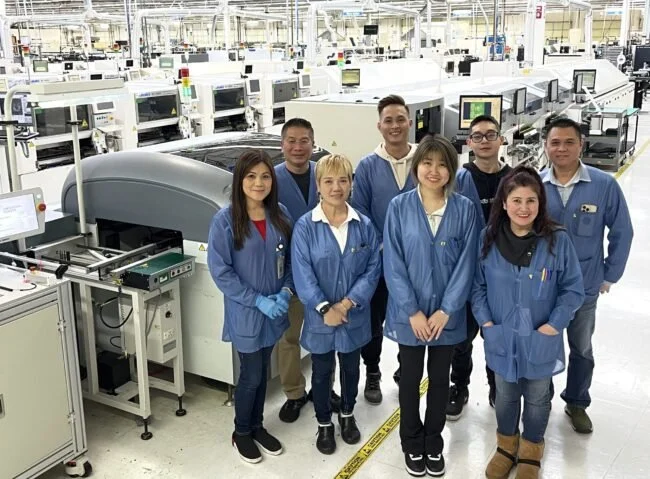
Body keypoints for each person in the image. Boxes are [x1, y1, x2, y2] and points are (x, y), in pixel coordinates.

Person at [473, 165, 585, 479]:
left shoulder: (556, 240)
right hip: (502, 334)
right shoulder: (488, 237)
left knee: (537, 397)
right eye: (517, 200)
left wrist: (554, 325)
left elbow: (573, 289)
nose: (524, 208)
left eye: (531, 200)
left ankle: (531, 450)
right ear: (504, 203)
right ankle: (506, 447)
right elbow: (477, 287)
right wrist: (486, 323)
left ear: (540, 203)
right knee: (505, 394)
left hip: (540, 334)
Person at [383, 135, 478, 477]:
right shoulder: (399, 207)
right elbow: (393, 263)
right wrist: (412, 311)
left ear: (452, 170)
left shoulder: (465, 209)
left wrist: (446, 310)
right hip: (409, 315)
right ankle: (411, 441)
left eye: (442, 164)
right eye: (427, 163)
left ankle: (433, 443)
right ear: (416, 167)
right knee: (409, 380)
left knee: (440, 380)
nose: (434, 170)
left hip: (445, 317)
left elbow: (467, 264)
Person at [541, 117, 633, 434]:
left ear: (581, 144)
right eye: (555, 142)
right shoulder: (535, 185)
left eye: (569, 142)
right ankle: (541, 398)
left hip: (585, 285)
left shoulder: (603, 185)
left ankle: (577, 402)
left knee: (581, 348)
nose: (562, 148)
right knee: (544, 344)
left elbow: (622, 231)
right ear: (546, 146)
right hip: (544, 287)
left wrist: (610, 275)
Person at [291, 154, 381, 455]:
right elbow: (302, 273)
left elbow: (373, 269)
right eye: (328, 181)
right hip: (320, 318)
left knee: (351, 369)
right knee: (321, 372)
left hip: (353, 313)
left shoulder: (364, 225)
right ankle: (324, 423)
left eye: (343, 180)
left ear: (351, 184)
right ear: (318, 185)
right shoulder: (305, 227)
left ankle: (347, 414)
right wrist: (324, 308)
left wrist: (346, 303)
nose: (336, 187)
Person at [208, 150, 293, 464]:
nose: (259, 183)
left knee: (263, 370)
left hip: (274, 310)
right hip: (246, 311)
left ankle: (257, 426)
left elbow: (290, 262)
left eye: (266, 176)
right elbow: (221, 271)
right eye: (251, 176)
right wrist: (256, 300)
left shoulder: (280, 214)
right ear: (239, 180)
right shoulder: (225, 221)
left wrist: (285, 291)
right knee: (252, 374)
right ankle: (241, 431)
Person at [351, 94, 417, 403]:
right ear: (379, 126)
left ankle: (406, 369)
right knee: (373, 321)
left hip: (416, 262)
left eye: (400, 119)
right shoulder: (367, 166)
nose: (394, 125)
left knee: (410, 315)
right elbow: (361, 212)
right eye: (388, 120)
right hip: (377, 261)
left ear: (410, 122)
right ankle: (373, 372)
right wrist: (383, 248)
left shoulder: (424, 161)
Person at [275, 118, 340, 422]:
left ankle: (324, 387)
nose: (298, 147)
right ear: (282, 145)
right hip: (288, 275)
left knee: (327, 335)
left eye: (304, 141)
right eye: (291, 140)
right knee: (288, 339)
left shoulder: (325, 174)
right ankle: (294, 393)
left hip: (326, 274)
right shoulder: (272, 180)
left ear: (313, 144)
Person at [447, 115, 512, 419]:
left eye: (491, 134)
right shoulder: (459, 180)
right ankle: (459, 386)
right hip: (466, 273)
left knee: (496, 335)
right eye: (477, 136)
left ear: (501, 139)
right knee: (461, 338)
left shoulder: (514, 179)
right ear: (469, 143)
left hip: (503, 277)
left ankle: (497, 386)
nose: (484, 141)